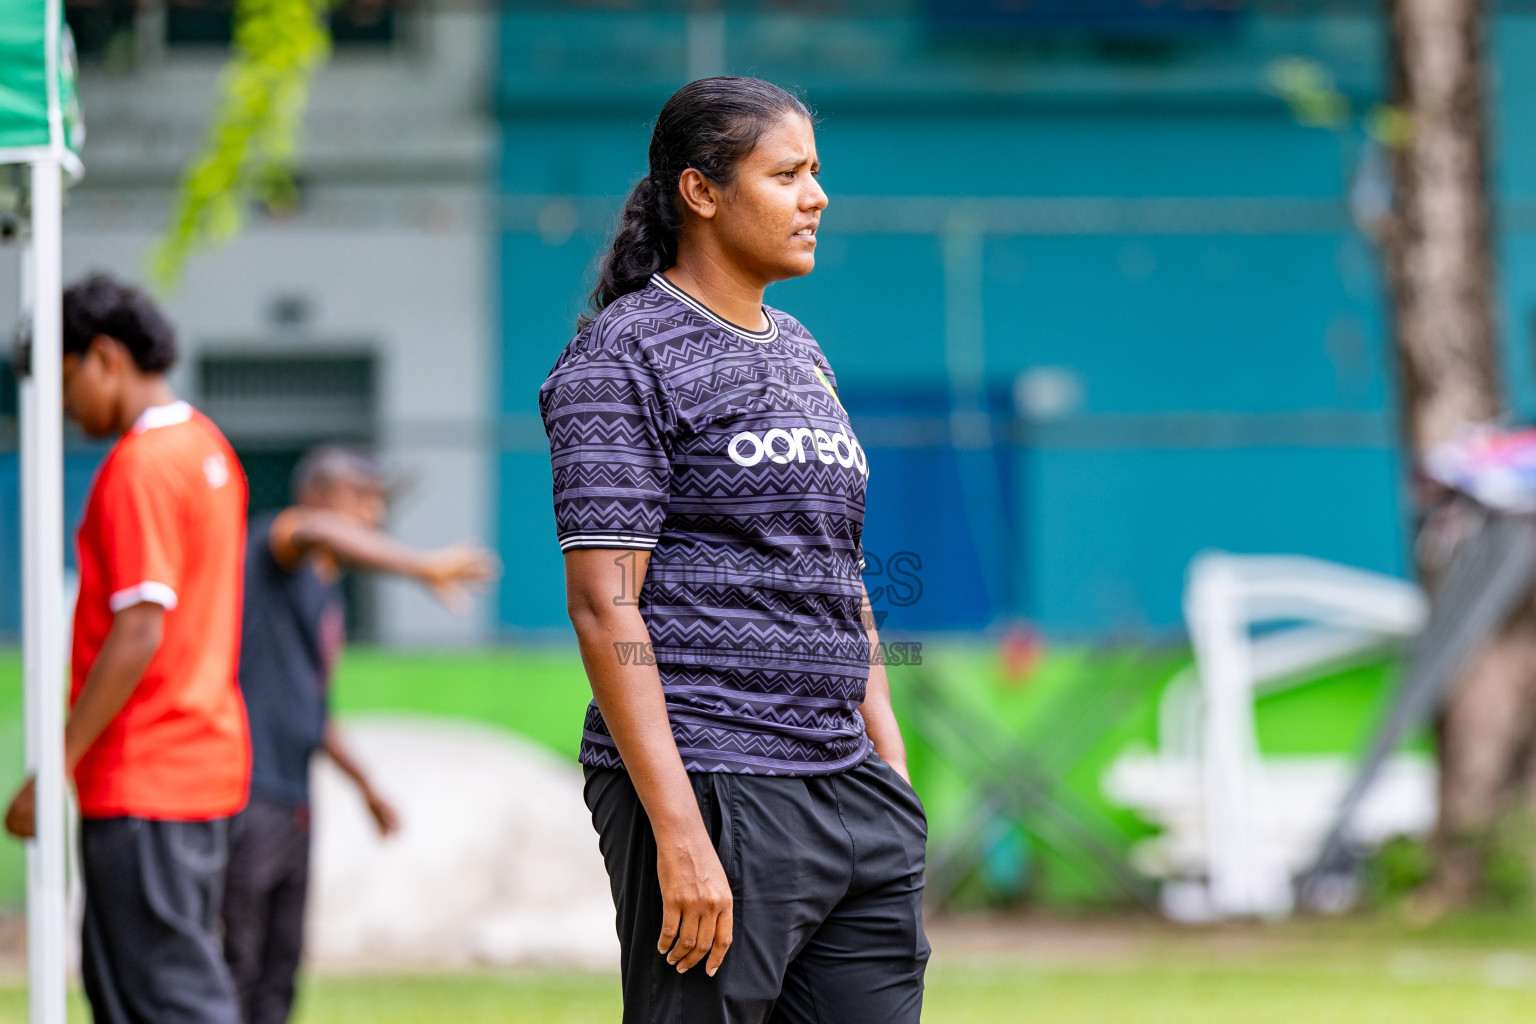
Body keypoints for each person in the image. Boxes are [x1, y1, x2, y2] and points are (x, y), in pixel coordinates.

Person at [539, 77, 928, 1024]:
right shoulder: (621, 359)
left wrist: (889, 756)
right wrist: (678, 831)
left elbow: (838, 566)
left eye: (816, 173)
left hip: (848, 787)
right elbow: (605, 605)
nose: (817, 196)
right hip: (717, 781)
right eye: (787, 173)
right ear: (701, 193)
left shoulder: (802, 351)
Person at [3, 273, 250, 1024]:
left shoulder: (140, 467)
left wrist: (57, 766)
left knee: (171, 1002)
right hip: (198, 766)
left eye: (63, 381)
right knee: (134, 997)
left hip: (148, 774)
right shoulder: (208, 448)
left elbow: (140, 626)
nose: (62, 407)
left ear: (103, 356)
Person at [224, 444, 497, 1024]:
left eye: (378, 502)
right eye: (360, 498)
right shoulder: (278, 545)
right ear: (318, 496)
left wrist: (365, 784)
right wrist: (422, 567)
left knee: (281, 968)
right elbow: (315, 528)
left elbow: (315, 710)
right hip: (245, 791)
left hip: (294, 798)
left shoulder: (326, 596)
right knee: (234, 963)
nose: (372, 516)